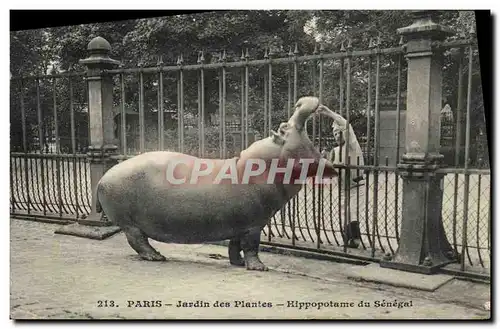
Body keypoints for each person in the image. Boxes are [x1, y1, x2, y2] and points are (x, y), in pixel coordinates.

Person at [326, 110, 365, 248]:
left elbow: (346, 126)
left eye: (339, 132)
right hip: (343, 186)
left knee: (352, 210)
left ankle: (355, 239)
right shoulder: (335, 151)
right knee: (344, 211)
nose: (337, 136)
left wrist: (328, 112)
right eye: (335, 134)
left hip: (356, 184)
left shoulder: (353, 146)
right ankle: (348, 239)